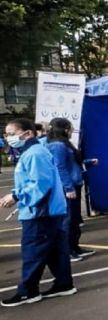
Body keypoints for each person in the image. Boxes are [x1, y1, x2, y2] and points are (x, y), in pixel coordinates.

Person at [0, 118, 74, 307]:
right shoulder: (33, 152)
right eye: (6, 134)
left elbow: (40, 183)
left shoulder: (34, 153)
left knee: (33, 251)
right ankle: (64, 284)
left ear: (28, 133)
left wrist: (16, 196)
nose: (8, 138)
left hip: (40, 211)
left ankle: (28, 291)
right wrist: (17, 194)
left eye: (11, 133)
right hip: (49, 210)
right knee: (54, 251)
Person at [44, 119, 94, 262]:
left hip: (75, 184)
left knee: (74, 221)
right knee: (68, 221)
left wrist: (88, 163)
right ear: (65, 129)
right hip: (68, 188)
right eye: (71, 128)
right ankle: (67, 251)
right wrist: (68, 187)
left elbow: (71, 164)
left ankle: (74, 246)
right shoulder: (57, 145)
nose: (72, 131)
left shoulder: (64, 144)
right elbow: (60, 167)